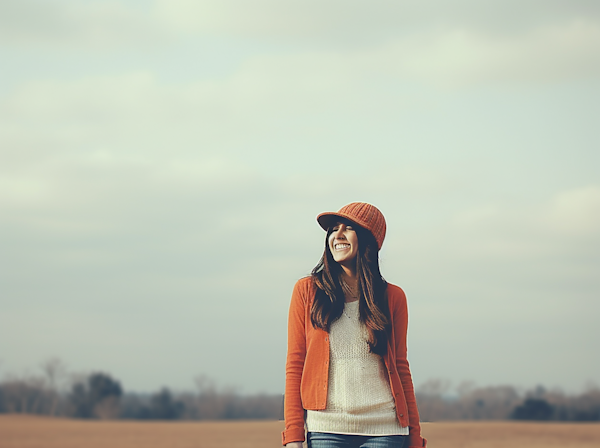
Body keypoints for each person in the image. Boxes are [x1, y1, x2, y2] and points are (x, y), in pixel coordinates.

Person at [282, 202, 427, 448]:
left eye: (348, 228)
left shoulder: (393, 297)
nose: (337, 235)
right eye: (333, 229)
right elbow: (296, 363)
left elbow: (401, 367)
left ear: (369, 240)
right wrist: (293, 435)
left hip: (386, 430)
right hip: (326, 429)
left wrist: (414, 437)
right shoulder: (307, 291)